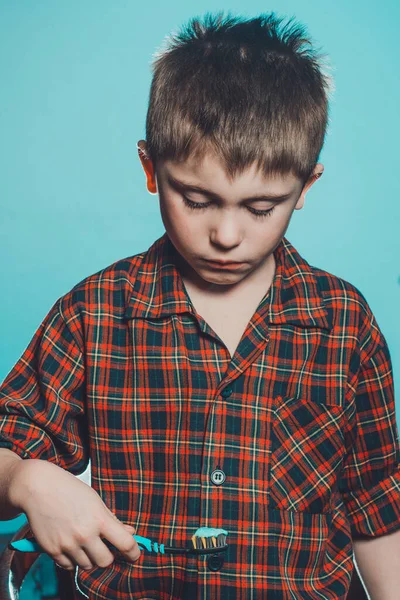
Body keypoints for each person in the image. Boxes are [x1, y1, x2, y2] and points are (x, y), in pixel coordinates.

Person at [1, 10, 399, 600]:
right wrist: (30, 481)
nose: (227, 234)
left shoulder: (344, 322)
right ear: (150, 170)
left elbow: (376, 508)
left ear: (305, 188)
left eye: (261, 208)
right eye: (196, 198)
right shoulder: (94, 313)